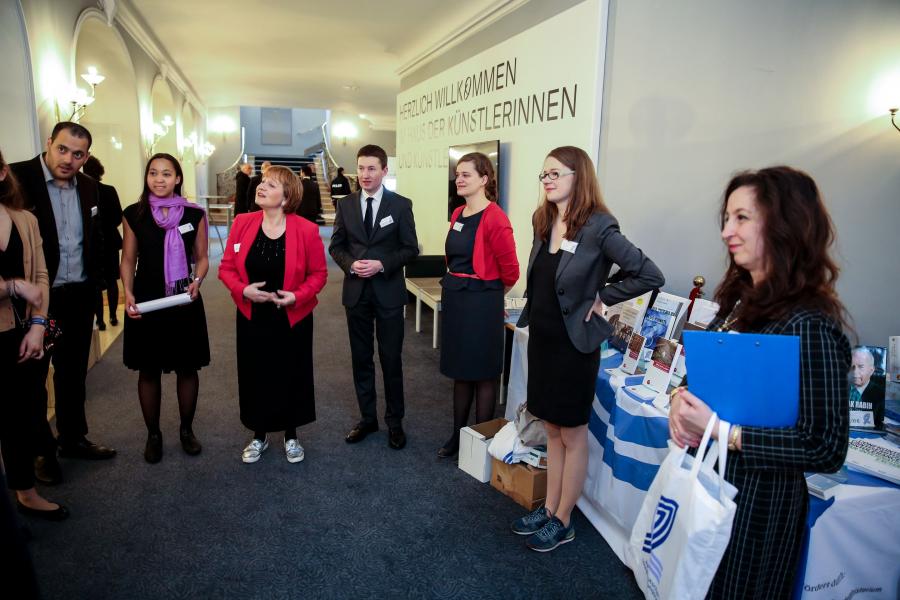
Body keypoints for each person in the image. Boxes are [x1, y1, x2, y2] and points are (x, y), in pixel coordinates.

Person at [668, 166, 851, 598]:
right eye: (726, 218)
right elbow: (702, 378)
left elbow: (825, 446)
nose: (726, 231)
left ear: (785, 223)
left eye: (742, 218)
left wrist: (725, 432)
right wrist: (679, 398)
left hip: (759, 507)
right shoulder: (739, 302)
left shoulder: (808, 323)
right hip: (713, 483)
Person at [511, 146, 664, 551]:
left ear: (579, 177)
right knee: (551, 428)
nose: (547, 180)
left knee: (572, 433)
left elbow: (649, 274)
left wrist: (603, 296)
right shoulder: (543, 219)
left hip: (574, 346)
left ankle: (564, 519)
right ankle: (549, 508)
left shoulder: (599, 225)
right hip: (543, 339)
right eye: (544, 174)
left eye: (555, 173)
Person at [10, 122, 115, 485]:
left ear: (86, 157)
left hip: (79, 295)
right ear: (49, 142)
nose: (69, 159)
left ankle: (72, 438)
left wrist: (97, 281)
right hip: (39, 300)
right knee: (34, 378)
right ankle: (42, 450)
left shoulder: (88, 187)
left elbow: (95, 237)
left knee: (73, 373)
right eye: (63, 149)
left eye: (78, 154)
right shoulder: (19, 179)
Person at [219, 166, 327, 463]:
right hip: (252, 316)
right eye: (263, 182)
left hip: (292, 317)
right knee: (255, 374)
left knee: (291, 373)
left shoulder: (306, 229)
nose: (262, 186)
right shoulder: (243, 223)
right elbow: (226, 268)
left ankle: (291, 435)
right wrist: (243, 290)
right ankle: (259, 434)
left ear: (287, 196)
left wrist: (297, 296)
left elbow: (319, 274)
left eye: (271, 184)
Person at [120, 153, 210, 463]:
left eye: (166, 173)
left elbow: (202, 258)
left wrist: (197, 280)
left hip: (184, 299)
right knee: (148, 370)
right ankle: (153, 435)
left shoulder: (194, 214)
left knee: (187, 367)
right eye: (153, 173)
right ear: (147, 177)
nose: (159, 179)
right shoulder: (134, 214)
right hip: (147, 299)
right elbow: (128, 259)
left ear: (178, 178)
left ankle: (186, 430)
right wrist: (127, 293)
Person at [329, 144, 419, 449]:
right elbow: (336, 246)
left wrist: (382, 264)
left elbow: (410, 249)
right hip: (356, 293)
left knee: (391, 359)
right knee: (361, 359)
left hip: (389, 292)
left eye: (371, 168)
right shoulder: (346, 205)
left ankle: (395, 422)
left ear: (384, 170)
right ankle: (368, 419)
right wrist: (350, 264)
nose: (365, 174)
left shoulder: (400, 205)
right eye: (361, 168)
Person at [0, 150, 69, 521]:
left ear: (2, 173)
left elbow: (41, 276)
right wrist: (11, 286)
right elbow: (22, 284)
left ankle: (26, 492)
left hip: (23, 333)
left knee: (21, 417)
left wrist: (39, 326)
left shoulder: (24, 219)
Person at [438, 152, 518, 458]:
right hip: (457, 298)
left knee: (484, 372)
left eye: (466, 174)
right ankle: (458, 436)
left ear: (484, 179)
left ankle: (481, 443)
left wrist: (490, 295)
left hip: (482, 302)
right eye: (457, 174)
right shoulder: (458, 213)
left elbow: (510, 272)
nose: (458, 179)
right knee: (461, 370)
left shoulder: (496, 217)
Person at [82, 156, 122, 331]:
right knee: (112, 280)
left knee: (96, 284)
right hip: (110, 242)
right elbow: (118, 217)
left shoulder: (83, 192)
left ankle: (100, 320)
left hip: (92, 244)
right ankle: (113, 315)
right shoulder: (109, 190)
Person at [849, 346, 885, 428]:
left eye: (861, 367)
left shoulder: (881, 396)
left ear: (871, 370)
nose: (854, 372)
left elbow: (878, 422)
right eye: (851, 366)